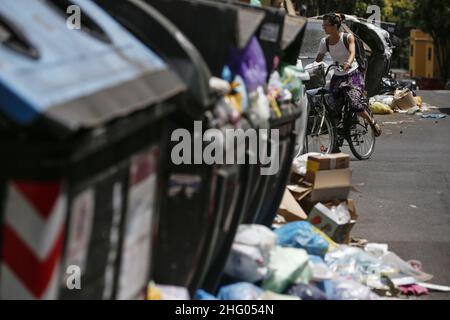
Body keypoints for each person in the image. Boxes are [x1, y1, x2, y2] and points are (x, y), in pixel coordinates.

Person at [315, 13, 382, 141]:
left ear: (335, 26)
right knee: (332, 107)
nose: (324, 28)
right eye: (323, 25)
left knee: (355, 104)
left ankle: (372, 122)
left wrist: (348, 63)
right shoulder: (325, 42)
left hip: (354, 74)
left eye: (326, 25)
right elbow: (318, 59)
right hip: (337, 76)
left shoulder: (347, 37)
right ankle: (336, 141)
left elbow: (352, 53)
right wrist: (310, 68)